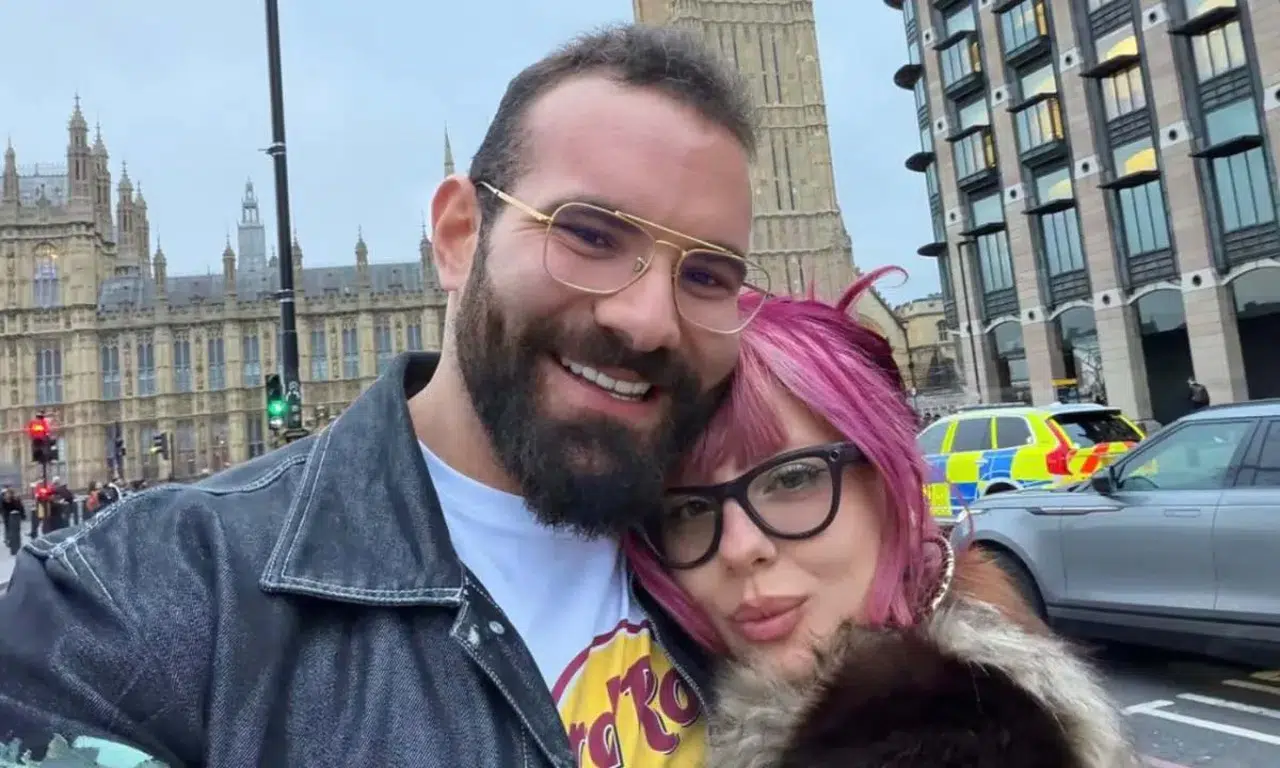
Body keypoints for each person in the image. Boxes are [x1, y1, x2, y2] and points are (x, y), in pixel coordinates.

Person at [0, 24, 759, 767]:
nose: (648, 319)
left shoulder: (760, 557)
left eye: (706, 274)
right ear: (458, 237)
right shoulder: (144, 596)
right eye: (589, 235)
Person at [626, 277, 1138, 767]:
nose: (739, 548)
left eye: (792, 479)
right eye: (689, 509)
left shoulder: (970, 730)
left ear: (890, 483)